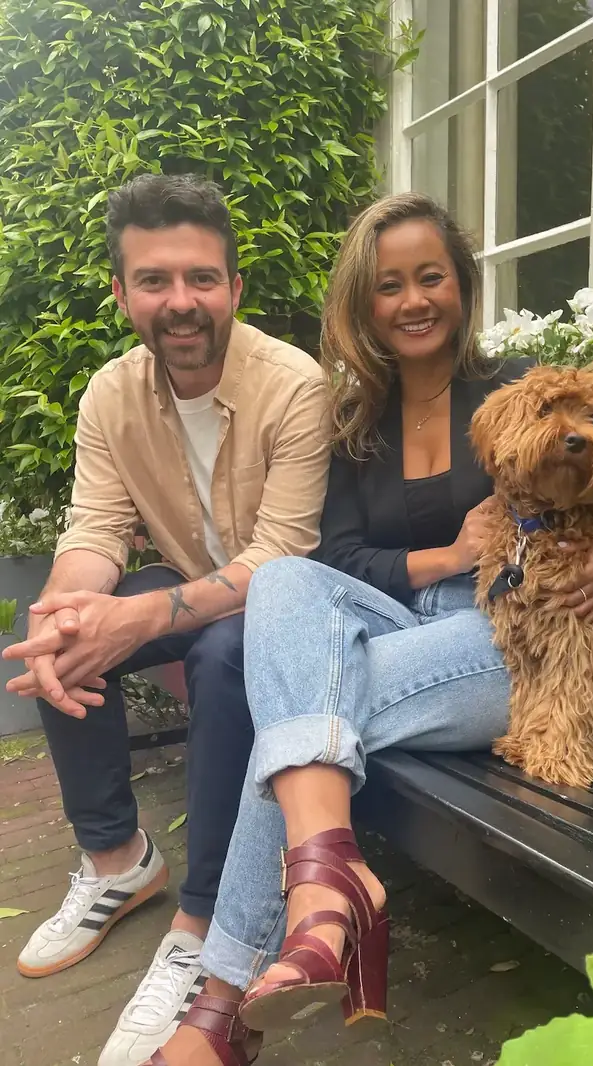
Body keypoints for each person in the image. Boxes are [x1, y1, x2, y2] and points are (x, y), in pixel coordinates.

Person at [141, 191, 593, 1066]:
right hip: (399, 617)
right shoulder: (355, 421)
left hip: (511, 636)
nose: (414, 300)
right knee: (286, 582)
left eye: (431, 278)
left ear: (462, 285)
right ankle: (325, 887)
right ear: (365, 303)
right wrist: (446, 555)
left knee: (293, 715)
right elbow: (339, 556)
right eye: (390, 285)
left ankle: (228, 1001)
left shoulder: (519, 387)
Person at [2, 174, 331, 1065]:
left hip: (292, 606)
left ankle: (206, 926)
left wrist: (138, 614)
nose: (180, 301)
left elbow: (281, 557)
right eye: (154, 280)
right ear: (122, 293)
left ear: (234, 287)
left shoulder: (294, 386)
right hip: (190, 581)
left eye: (200, 278)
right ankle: (118, 862)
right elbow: (95, 530)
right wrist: (71, 611)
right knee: (64, 626)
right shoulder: (109, 396)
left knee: (224, 648)